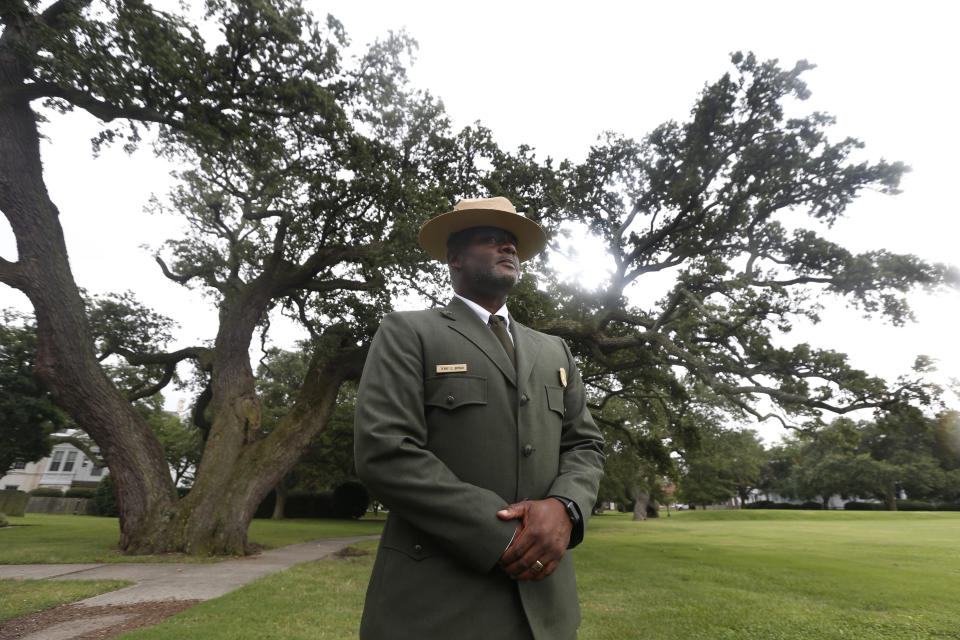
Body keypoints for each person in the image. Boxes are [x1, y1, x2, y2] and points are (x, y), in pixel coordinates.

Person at [354, 196, 605, 640]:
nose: (508, 248)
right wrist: (503, 535)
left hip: (546, 610)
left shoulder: (555, 350)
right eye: (491, 240)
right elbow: (385, 451)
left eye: (511, 243)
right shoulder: (409, 332)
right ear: (454, 258)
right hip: (436, 606)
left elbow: (584, 444)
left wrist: (564, 509)